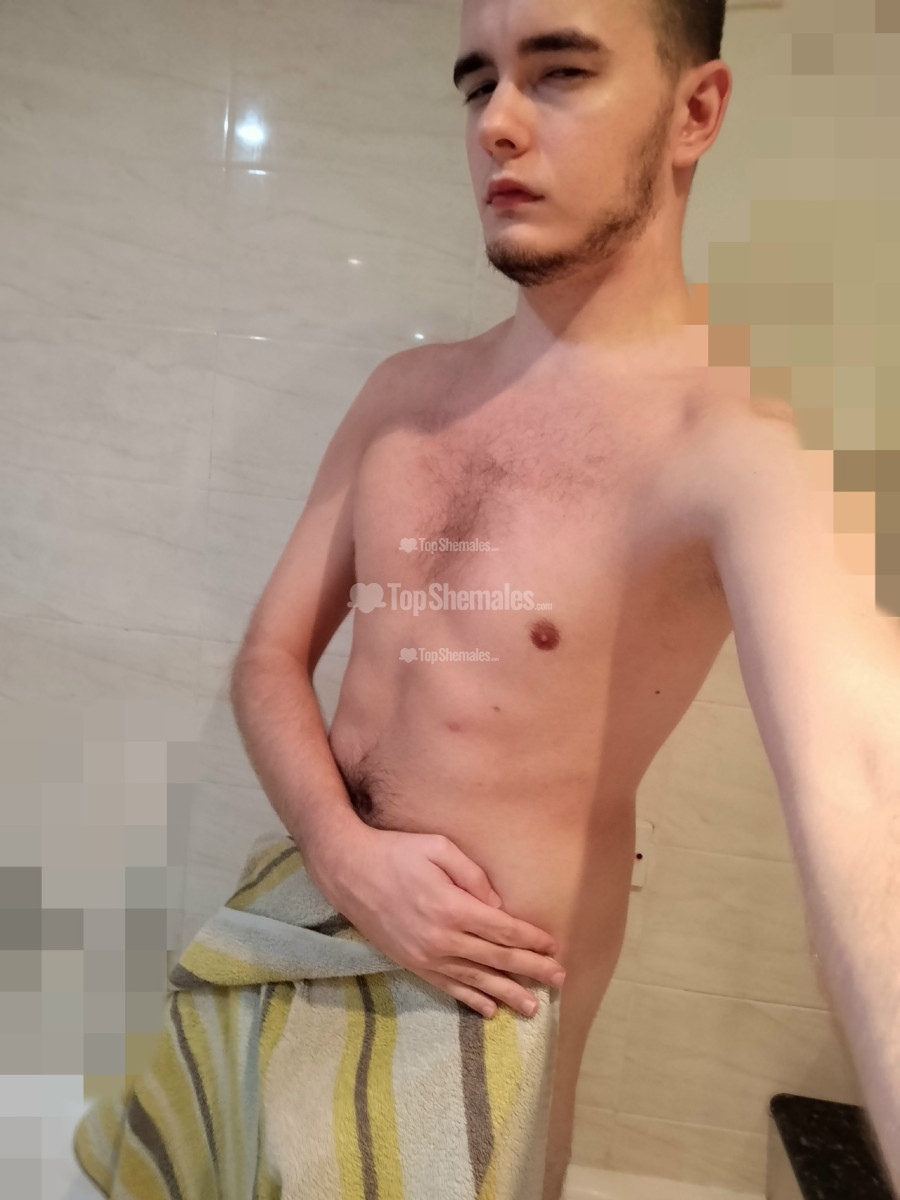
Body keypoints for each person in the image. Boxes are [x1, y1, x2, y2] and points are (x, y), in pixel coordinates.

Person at [229, 1, 900, 1197]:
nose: (496, 122)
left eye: (559, 72)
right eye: (476, 82)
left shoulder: (738, 446)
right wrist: (341, 851)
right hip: (302, 926)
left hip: (476, 1032)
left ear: (696, 112)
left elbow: (869, 778)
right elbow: (268, 659)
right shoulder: (402, 397)